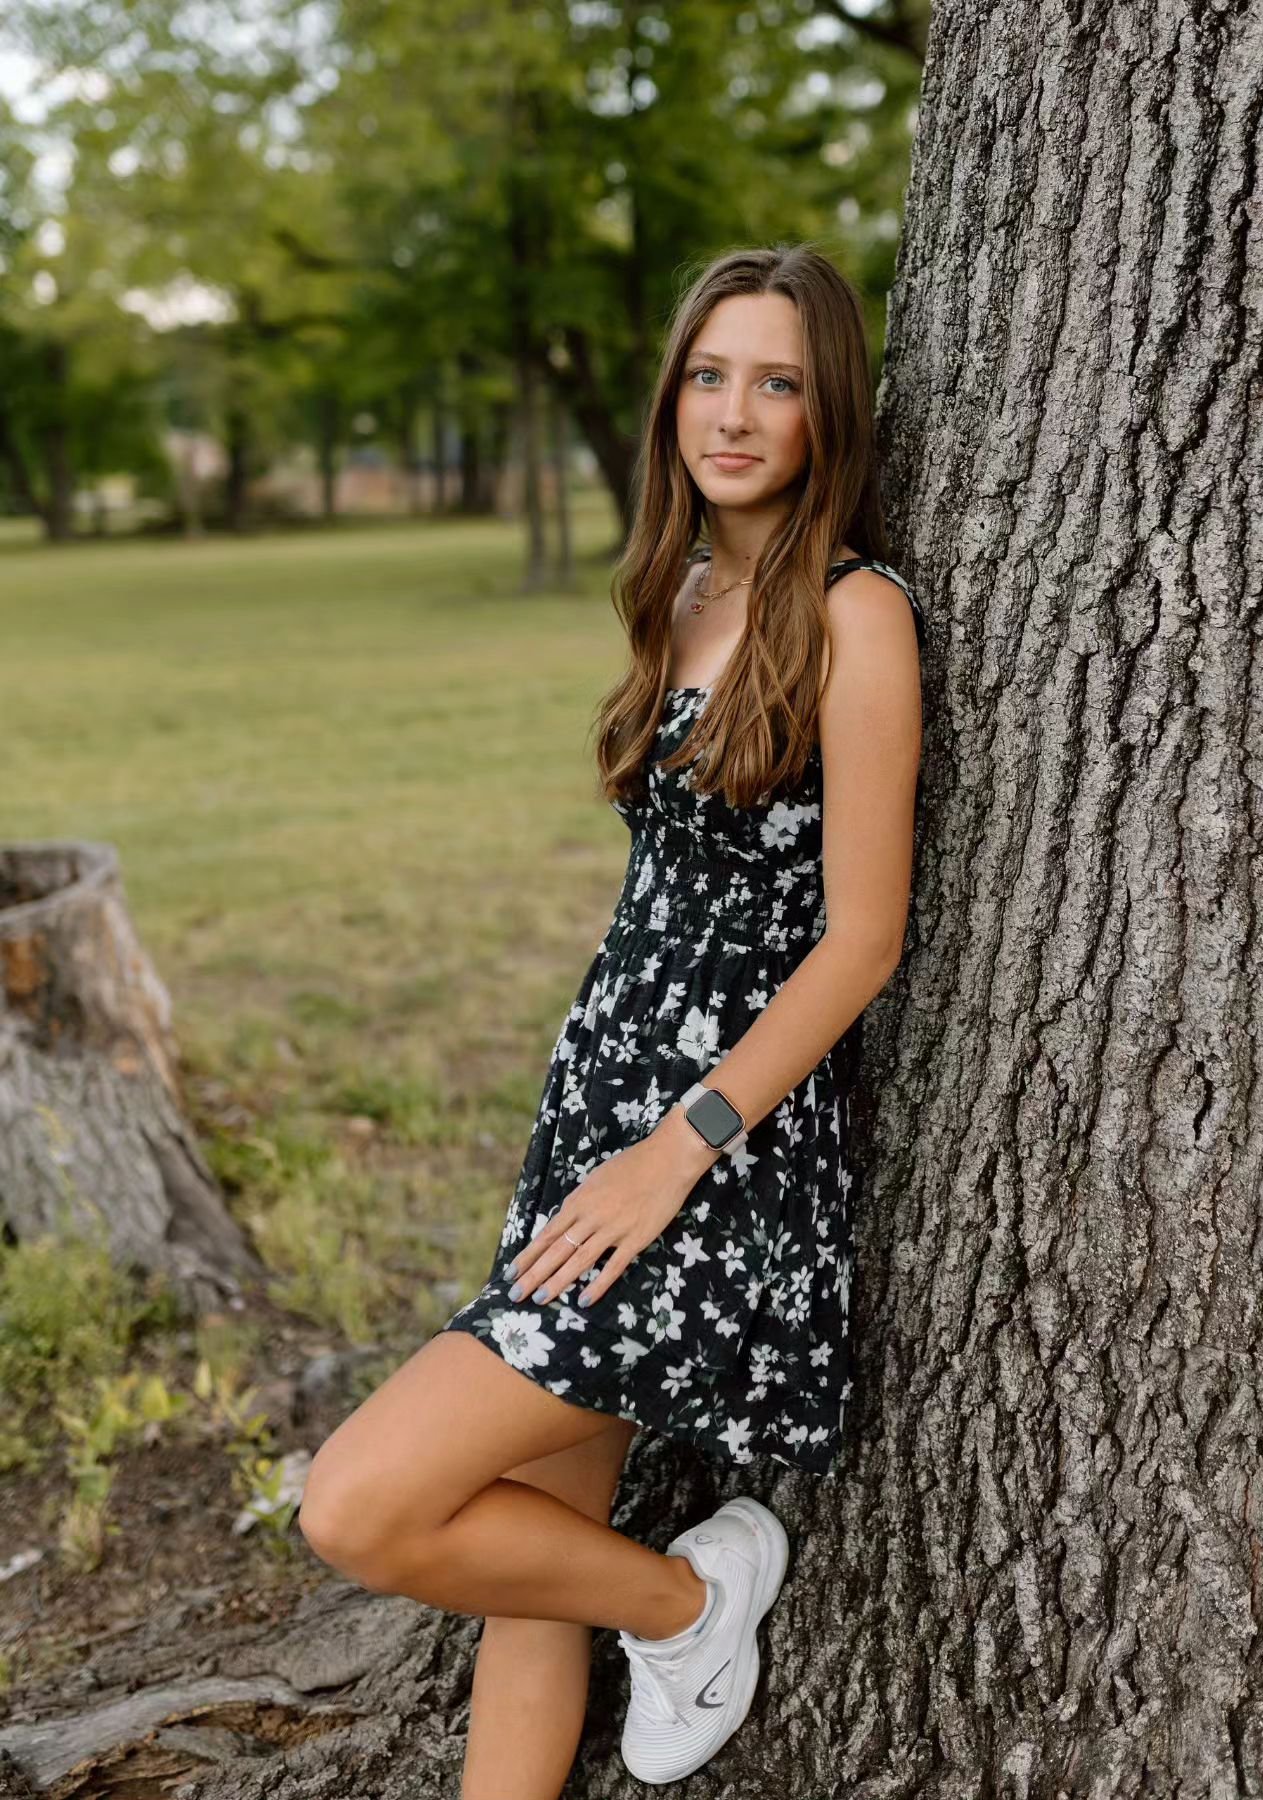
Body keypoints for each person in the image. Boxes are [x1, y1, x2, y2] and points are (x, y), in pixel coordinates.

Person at [297, 241, 926, 1796]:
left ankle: (697, 1600)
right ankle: (646, 1616)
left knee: (360, 1507)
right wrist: (611, 1139)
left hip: (713, 1160)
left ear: (826, 410)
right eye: (709, 375)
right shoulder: (681, 594)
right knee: (534, 1539)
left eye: (776, 381)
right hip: (599, 1126)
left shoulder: (857, 617)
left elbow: (861, 940)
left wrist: (675, 1152)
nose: (735, 412)